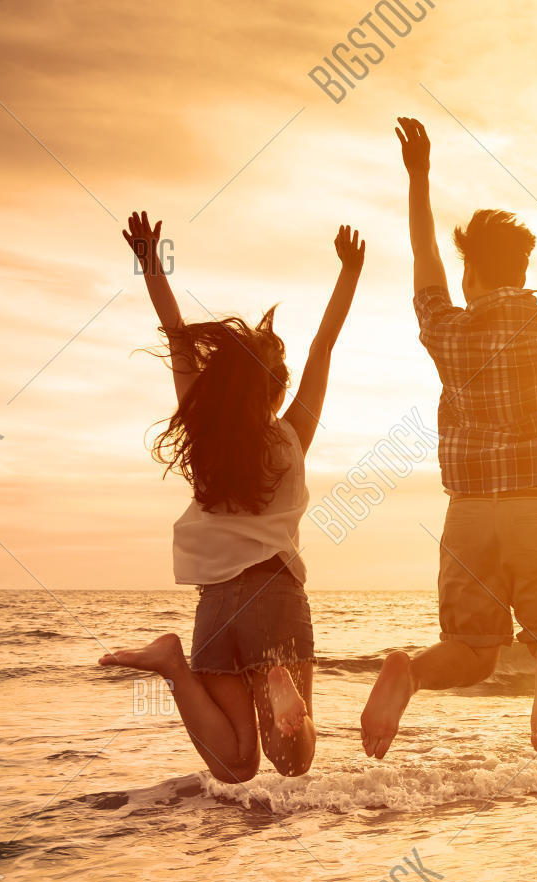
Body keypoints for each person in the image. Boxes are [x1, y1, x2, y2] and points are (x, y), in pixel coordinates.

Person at [361, 112, 537, 758]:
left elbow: (424, 257)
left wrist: (418, 176)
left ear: (469, 276)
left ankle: (411, 672)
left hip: (469, 515)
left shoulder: (446, 329)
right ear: (523, 269)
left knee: (471, 652)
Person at [99, 211, 365, 781]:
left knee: (236, 765)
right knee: (291, 759)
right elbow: (322, 348)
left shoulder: (204, 433)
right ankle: (279, 686)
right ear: (276, 389)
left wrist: (151, 263)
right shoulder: (291, 436)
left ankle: (173, 665)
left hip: (215, 605)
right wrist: (349, 274)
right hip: (274, 592)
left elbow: (176, 334)